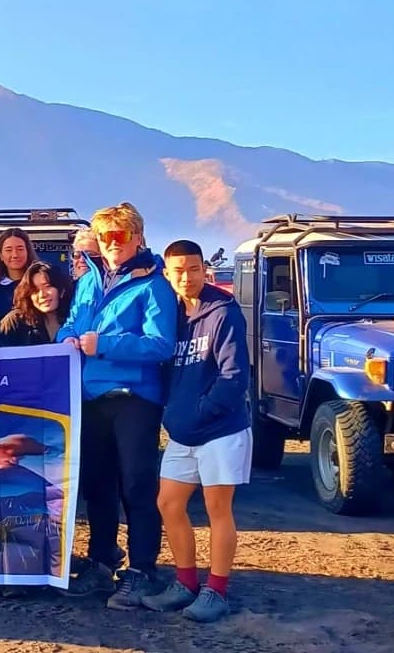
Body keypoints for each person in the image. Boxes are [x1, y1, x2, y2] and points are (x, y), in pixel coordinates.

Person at [56, 202, 177, 609]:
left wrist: (104, 345)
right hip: (91, 398)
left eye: (119, 236)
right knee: (98, 486)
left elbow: (161, 344)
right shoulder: (89, 279)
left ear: (137, 238)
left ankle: (143, 569)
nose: (111, 244)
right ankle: (102, 560)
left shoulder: (154, 285)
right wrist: (66, 339)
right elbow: (73, 320)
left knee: (137, 485)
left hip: (134, 400)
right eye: (104, 236)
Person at [141, 240, 251, 623]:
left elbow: (234, 377)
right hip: (182, 433)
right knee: (168, 504)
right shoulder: (170, 316)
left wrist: (202, 412)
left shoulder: (224, 313)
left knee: (217, 509)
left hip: (221, 429)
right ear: (167, 274)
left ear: (205, 269)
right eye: (178, 270)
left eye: (193, 268)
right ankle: (185, 583)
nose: (186, 277)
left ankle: (216, 590)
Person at [0, 262, 74, 346]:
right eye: (35, 290)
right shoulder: (15, 321)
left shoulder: (74, 317)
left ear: (62, 289)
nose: (42, 295)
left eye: (47, 286)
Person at [0, 228, 39, 324]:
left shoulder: (38, 284)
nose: (15, 255)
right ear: (0, 255)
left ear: (27, 252)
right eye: (8, 250)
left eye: (20, 249)